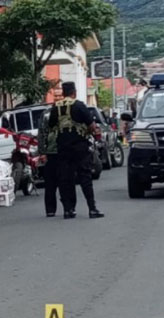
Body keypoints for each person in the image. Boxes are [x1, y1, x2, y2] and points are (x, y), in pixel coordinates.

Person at [47, 82, 104, 219]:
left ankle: (68, 210)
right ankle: (92, 209)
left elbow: (51, 126)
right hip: (80, 147)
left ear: (64, 93)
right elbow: (91, 125)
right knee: (85, 177)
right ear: (74, 92)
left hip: (63, 148)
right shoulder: (79, 105)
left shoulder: (56, 108)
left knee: (66, 179)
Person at [37, 109, 60, 217]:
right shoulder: (47, 115)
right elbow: (41, 134)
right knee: (52, 183)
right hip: (52, 152)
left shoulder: (67, 112)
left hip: (60, 151)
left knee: (62, 182)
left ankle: (67, 208)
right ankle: (53, 209)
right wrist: (42, 152)